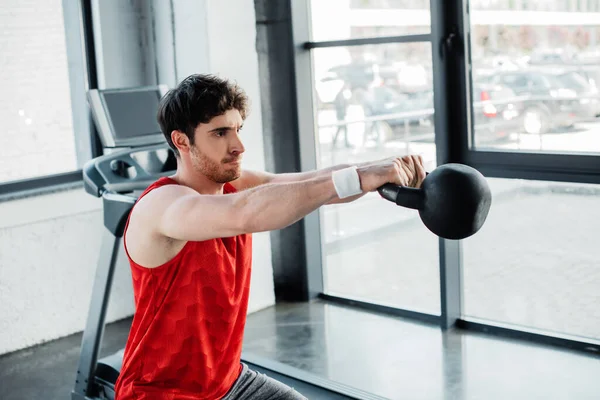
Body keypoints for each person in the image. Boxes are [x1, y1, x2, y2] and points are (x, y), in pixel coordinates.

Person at [113, 73, 426, 400]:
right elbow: (244, 213)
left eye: (237, 130)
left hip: (228, 382)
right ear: (181, 141)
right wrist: (361, 177)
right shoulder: (162, 205)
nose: (238, 146)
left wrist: (382, 170)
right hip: (161, 393)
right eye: (220, 133)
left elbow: (311, 185)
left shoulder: (236, 185)